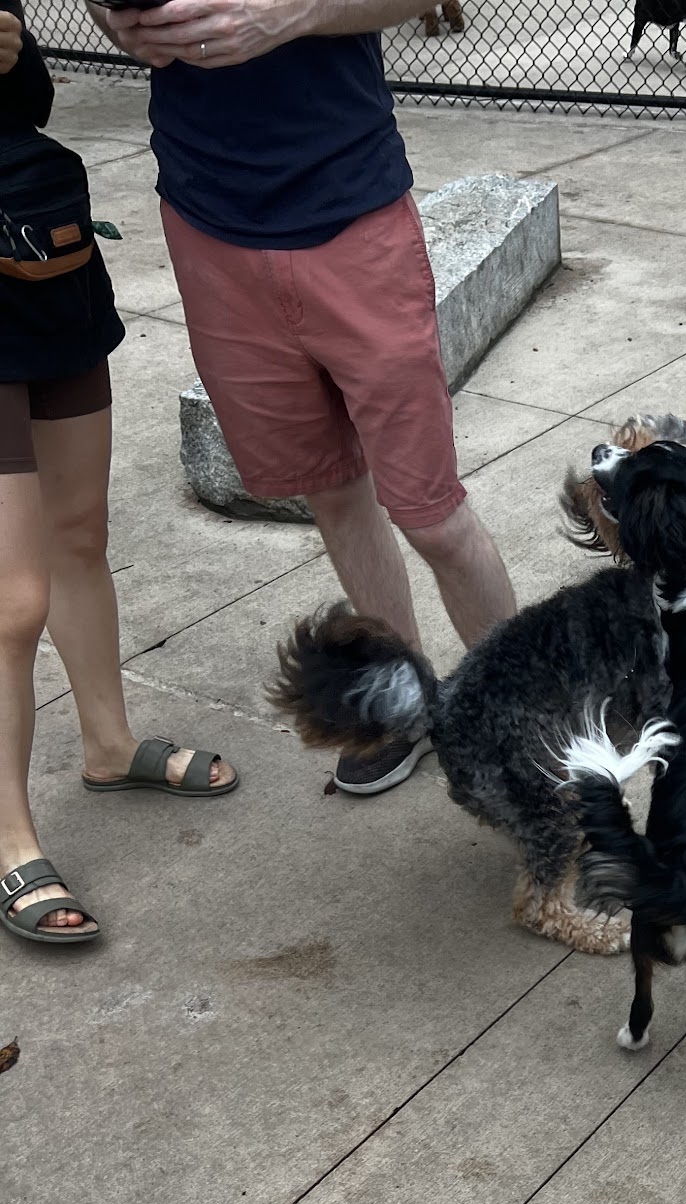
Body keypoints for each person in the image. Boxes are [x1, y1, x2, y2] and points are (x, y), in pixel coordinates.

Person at [89, 0, 518, 796]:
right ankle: (400, 707)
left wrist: (290, 14)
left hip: (350, 211)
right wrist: (125, 22)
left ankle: (529, 725)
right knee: (331, 489)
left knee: (432, 515)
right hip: (209, 219)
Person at [1, 0, 236, 947]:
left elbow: (30, 103)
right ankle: (8, 836)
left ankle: (107, 742)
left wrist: (13, 56)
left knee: (80, 533)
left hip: (41, 256)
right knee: (14, 596)